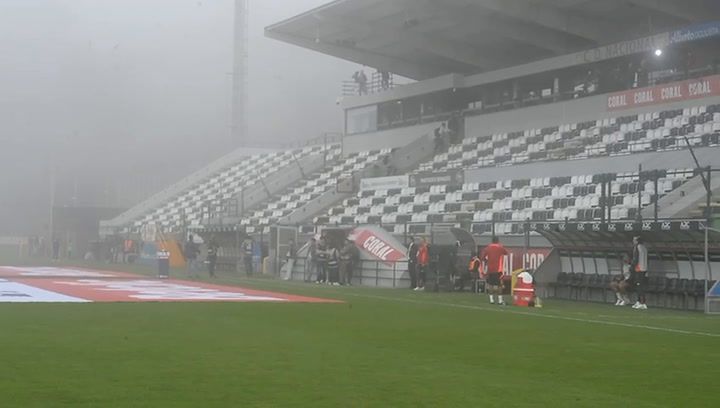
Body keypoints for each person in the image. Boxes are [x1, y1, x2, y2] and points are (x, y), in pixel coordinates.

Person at [480, 236, 509, 305]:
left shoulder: (488, 248)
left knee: (490, 284)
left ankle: (491, 300)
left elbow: (482, 257)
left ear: (492, 241)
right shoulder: (500, 247)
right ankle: (500, 301)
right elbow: (506, 252)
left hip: (490, 269)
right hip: (498, 269)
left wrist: (487, 261)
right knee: (499, 285)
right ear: (498, 241)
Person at [630, 236, 649, 310]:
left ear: (637, 241)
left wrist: (632, 267)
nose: (633, 241)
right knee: (640, 285)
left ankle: (642, 303)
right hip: (644, 269)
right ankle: (638, 301)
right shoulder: (644, 248)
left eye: (634, 240)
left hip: (639, 269)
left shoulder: (637, 247)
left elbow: (635, 258)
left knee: (639, 286)